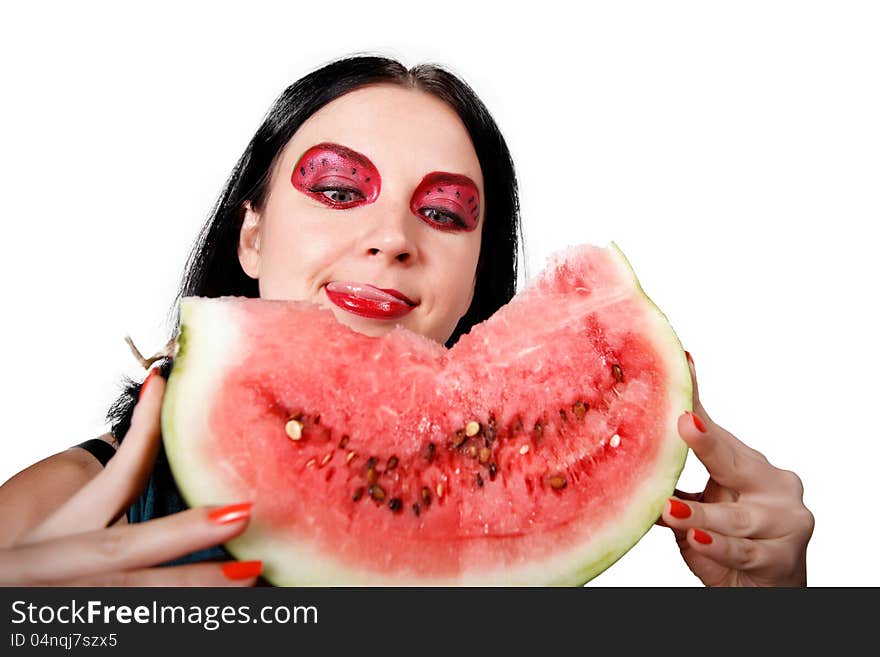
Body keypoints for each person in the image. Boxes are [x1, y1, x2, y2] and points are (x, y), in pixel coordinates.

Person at [0, 55, 814, 586]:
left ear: (475, 279)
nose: (393, 238)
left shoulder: (518, 539)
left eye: (445, 212)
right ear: (252, 233)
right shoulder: (55, 513)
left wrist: (779, 620)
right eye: (341, 191)